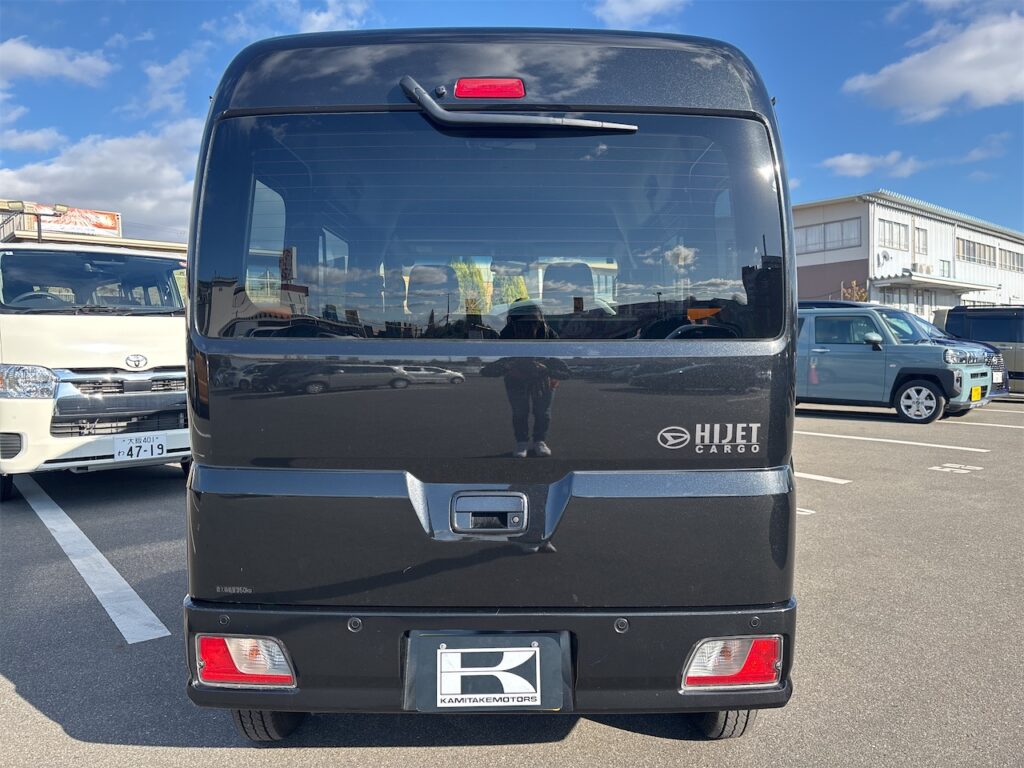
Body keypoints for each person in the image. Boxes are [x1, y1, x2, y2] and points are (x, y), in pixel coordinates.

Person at [481, 301, 569, 457]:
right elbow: (501, 358)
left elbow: (558, 359)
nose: (528, 326)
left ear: (540, 319)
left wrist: (547, 370)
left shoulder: (549, 333)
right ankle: (521, 442)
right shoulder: (507, 333)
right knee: (519, 412)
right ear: (513, 320)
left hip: (543, 379)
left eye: (533, 321)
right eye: (522, 322)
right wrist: (512, 368)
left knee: (542, 413)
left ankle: (539, 441)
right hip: (516, 377)